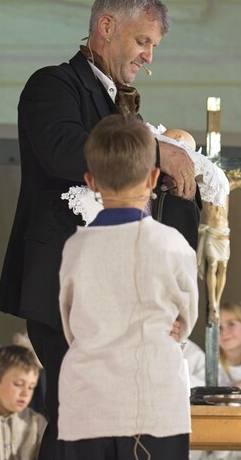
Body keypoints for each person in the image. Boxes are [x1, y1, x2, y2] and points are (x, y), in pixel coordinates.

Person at [0, 0, 198, 459]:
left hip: (124, 295)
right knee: (81, 421)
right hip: (69, 286)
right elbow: (64, 150)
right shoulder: (53, 85)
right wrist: (157, 151)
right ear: (106, 26)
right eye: (143, 41)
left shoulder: (122, 104)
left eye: (153, 46)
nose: (149, 56)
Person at [57, 114, 198, 459]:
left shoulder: (76, 246)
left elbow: (69, 322)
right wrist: (176, 329)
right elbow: (187, 314)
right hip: (155, 401)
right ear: (153, 178)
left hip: (89, 401)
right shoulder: (172, 243)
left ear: (91, 181)